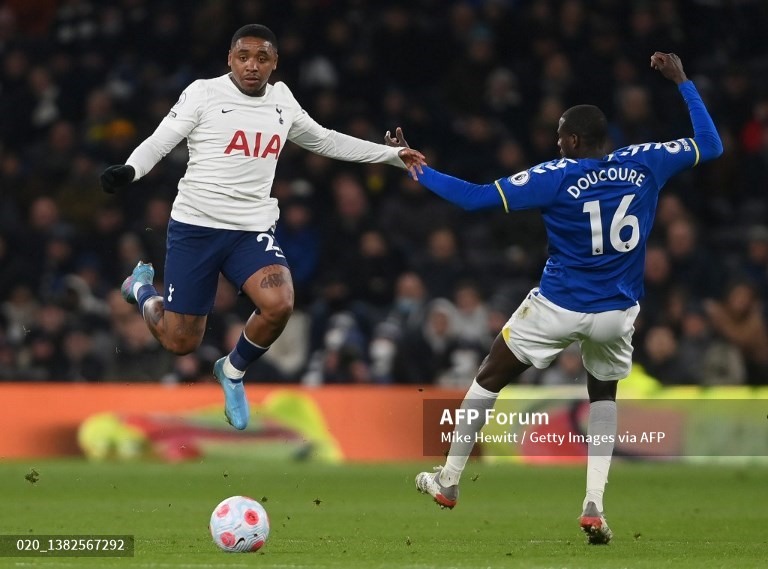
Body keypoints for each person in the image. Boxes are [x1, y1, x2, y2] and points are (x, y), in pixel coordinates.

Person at [386, 52, 722, 544]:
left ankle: (450, 480)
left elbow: (476, 199)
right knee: (603, 395)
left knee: (488, 378)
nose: (554, 141)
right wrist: (683, 82)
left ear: (572, 141)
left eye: (560, 135)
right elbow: (711, 145)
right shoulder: (645, 160)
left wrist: (419, 169)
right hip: (616, 312)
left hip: (558, 306)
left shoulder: (556, 175)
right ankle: (594, 504)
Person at [99, 24, 425, 430]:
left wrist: (393, 155)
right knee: (180, 342)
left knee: (280, 303)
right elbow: (161, 140)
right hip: (196, 226)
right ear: (230, 59)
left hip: (250, 229)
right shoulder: (203, 93)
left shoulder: (283, 100)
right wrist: (131, 170)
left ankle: (232, 371)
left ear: (274, 63)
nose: (252, 65)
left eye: (262, 58)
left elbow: (325, 140)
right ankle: (142, 290)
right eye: (243, 56)